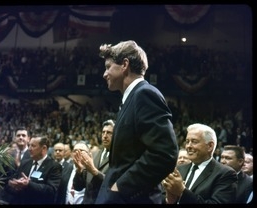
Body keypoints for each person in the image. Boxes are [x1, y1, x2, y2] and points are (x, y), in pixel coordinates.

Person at [95, 40, 178, 204]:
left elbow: (164, 154)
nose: (104, 74)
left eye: (108, 67)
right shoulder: (132, 98)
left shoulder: (144, 94)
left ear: (125, 65)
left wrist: (121, 187)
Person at [161, 123, 238, 204]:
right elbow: (161, 197)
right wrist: (168, 200)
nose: (188, 146)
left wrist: (182, 191)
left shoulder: (226, 174)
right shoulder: (179, 169)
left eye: (194, 142)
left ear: (210, 146)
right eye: (187, 142)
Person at [4, 134, 62, 204]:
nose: (29, 149)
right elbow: (14, 180)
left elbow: (51, 190)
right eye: (29, 145)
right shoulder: (25, 163)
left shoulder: (54, 166)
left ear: (44, 148)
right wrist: (13, 184)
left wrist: (29, 184)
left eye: (33, 146)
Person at [73, 119, 115, 204]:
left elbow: (112, 184)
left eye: (109, 133)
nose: (105, 136)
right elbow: (78, 187)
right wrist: (79, 171)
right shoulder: (94, 154)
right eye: (103, 132)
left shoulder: (120, 157)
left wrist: (94, 171)